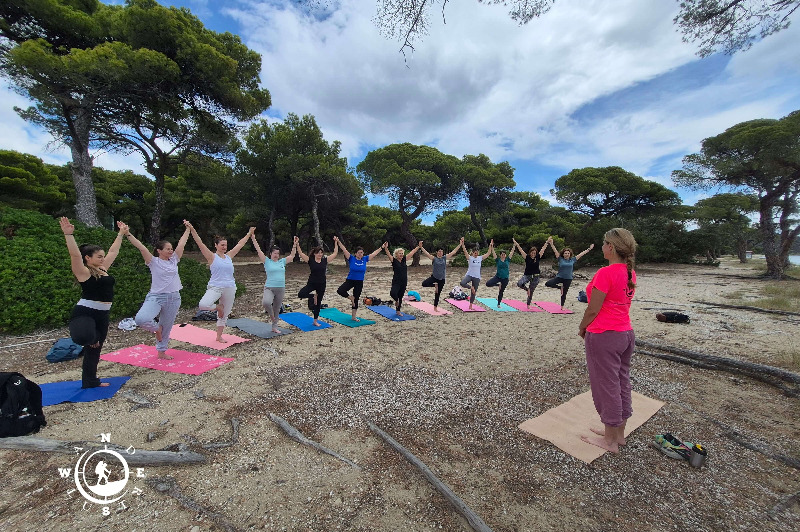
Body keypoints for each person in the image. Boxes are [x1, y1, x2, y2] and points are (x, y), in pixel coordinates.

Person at [578, 228, 638, 454]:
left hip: (605, 334)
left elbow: (594, 308)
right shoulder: (630, 272)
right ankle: (617, 434)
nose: (602, 247)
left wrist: (583, 327)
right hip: (625, 334)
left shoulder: (606, 272)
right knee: (621, 381)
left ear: (610, 247)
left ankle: (610, 441)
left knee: (606, 386)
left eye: (604, 243)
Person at [60, 217, 128, 388]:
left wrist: (120, 234)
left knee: (95, 349)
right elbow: (75, 254)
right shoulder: (83, 272)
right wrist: (68, 235)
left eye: (103, 256)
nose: (103, 258)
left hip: (102, 315)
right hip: (85, 313)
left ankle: (90, 381)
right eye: (99, 256)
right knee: (88, 338)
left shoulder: (103, 269)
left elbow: (113, 252)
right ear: (88, 258)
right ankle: (88, 337)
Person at [128, 222, 192, 359]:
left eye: (171, 249)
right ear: (159, 250)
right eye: (168, 249)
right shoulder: (153, 261)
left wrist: (188, 229)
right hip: (156, 297)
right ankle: (157, 329)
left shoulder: (174, 260)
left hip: (174, 297)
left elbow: (181, 245)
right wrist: (127, 233)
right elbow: (141, 247)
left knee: (167, 326)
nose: (171, 251)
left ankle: (161, 351)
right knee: (141, 319)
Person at [187, 224, 254, 343]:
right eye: (222, 245)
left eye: (226, 245)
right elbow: (200, 243)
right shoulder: (211, 257)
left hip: (230, 287)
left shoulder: (229, 257)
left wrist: (249, 234)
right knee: (203, 304)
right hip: (215, 287)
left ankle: (219, 336)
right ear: (216, 245)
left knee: (225, 314)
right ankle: (218, 307)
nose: (224, 247)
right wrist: (192, 229)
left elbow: (240, 244)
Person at [252, 234, 298, 333]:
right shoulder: (267, 261)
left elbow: (292, 255)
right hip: (269, 287)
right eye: (274, 253)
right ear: (271, 254)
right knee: (266, 302)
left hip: (280, 288)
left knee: (277, 308)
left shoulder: (282, 262)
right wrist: (253, 238)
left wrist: (295, 244)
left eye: (277, 253)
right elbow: (259, 251)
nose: (276, 255)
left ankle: (274, 327)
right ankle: (272, 316)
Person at [335, 237, 385, 321]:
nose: (360, 254)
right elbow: (344, 249)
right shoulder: (351, 258)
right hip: (350, 280)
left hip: (359, 282)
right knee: (340, 290)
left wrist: (382, 247)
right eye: (359, 253)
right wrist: (338, 241)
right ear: (355, 253)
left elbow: (374, 253)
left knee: (356, 298)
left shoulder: (365, 259)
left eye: (361, 253)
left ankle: (354, 317)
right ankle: (350, 298)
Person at [296, 239, 339, 327]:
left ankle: (315, 321)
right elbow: (301, 253)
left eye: (321, 253)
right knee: (301, 294)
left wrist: (335, 242)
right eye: (318, 253)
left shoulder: (324, 261)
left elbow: (335, 254)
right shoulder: (310, 260)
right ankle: (313, 296)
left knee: (318, 303)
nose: (320, 254)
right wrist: (297, 244)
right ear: (315, 253)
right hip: (311, 283)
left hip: (322, 284)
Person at [545, 239, 594, 310]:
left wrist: (589, 249)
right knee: (548, 283)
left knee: (564, 293)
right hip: (560, 277)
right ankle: (560, 288)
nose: (567, 254)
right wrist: (551, 244)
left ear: (570, 254)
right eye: (565, 253)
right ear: (563, 254)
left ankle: (562, 307)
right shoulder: (560, 259)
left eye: (568, 253)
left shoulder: (573, 260)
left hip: (568, 278)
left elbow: (581, 254)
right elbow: (555, 251)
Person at [419, 241, 462, 312]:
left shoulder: (444, 258)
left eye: (442, 251)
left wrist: (460, 244)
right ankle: (435, 285)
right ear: (437, 252)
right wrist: (421, 247)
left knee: (437, 294)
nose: (441, 253)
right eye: (439, 251)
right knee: (424, 284)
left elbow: (453, 252)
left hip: (442, 279)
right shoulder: (434, 259)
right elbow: (427, 254)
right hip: (434, 277)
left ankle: (435, 307)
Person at [383, 242, 422, 315]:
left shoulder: (404, 260)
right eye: (399, 253)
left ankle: (398, 311)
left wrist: (418, 247)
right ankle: (396, 300)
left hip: (404, 281)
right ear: (396, 254)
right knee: (393, 293)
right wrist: (385, 248)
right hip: (396, 281)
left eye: (402, 253)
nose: (401, 254)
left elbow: (412, 252)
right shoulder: (394, 261)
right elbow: (388, 254)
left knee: (400, 296)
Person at [513, 237, 550, 309]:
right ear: (530, 253)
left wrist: (547, 242)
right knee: (519, 283)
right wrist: (516, 244)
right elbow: (520, 250)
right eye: (532, 253)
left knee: (531, 292)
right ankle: (527, 289)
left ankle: (528, 305)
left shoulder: (538, 257)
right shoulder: (527, 257)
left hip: (536, 277)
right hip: (527, 275)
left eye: (534, 253)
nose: (533, 254)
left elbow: (543, 249)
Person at [459, 238, 494, 310]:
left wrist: (490, 246)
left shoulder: (480, 258)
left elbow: (488, 253)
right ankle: (470, 287)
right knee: (462, 283)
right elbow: (465, 251)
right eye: (475, 253)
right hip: (469, 275)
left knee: (474, 292)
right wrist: (462, 244)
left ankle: (471, 305)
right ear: (472, 253)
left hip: (477, 277)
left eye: (477, 252)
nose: (476, 254)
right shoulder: (470, 258)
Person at [485, 244, 516, 308]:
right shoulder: (498, 260)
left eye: (504, 254)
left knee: (501, 291)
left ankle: (499, 304)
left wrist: (514, 246)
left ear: (505, 255)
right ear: (500, 255)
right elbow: (493, 254)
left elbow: (512, 252)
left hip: (505, 279)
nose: (503, 255)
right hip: (498, 277)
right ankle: (498, 285)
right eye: (502, 254)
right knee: (488, 283)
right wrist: (492, 247)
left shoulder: (507, 260)